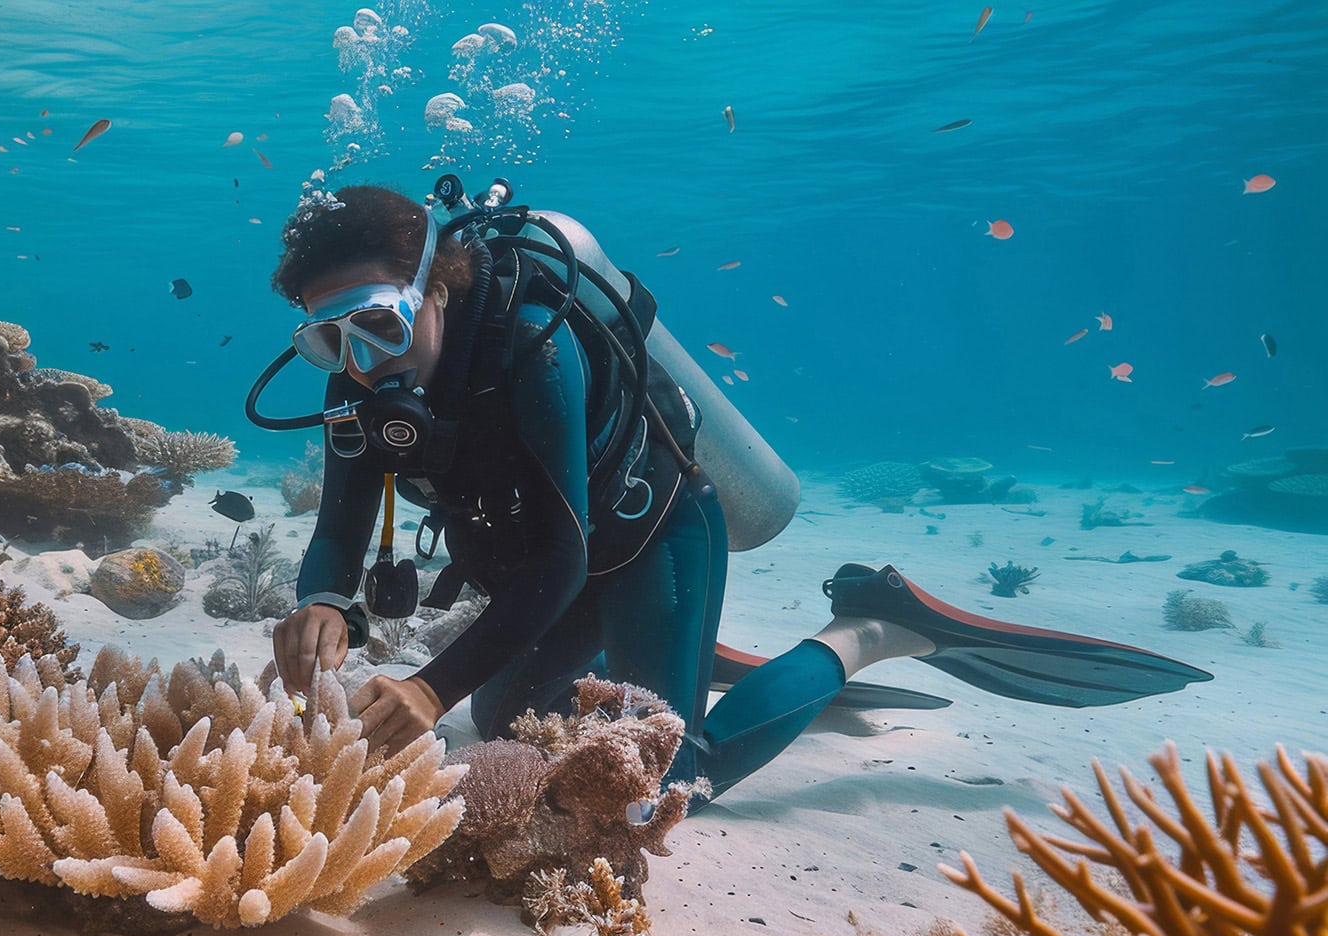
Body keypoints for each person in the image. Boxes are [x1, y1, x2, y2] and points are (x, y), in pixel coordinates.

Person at [261, 183, 1209, 811]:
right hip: (562, 572)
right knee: (504, 725)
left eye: (378, 322)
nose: (358, 361)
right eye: (325, 339)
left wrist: (428, 685)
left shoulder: (535, 348)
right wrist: (321, 600)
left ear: (439, 286)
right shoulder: (355, 379)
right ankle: (675, 650)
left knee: (659, 786)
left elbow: (559, 558)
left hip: (653, 538)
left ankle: (873, 627)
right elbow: (339, 524)